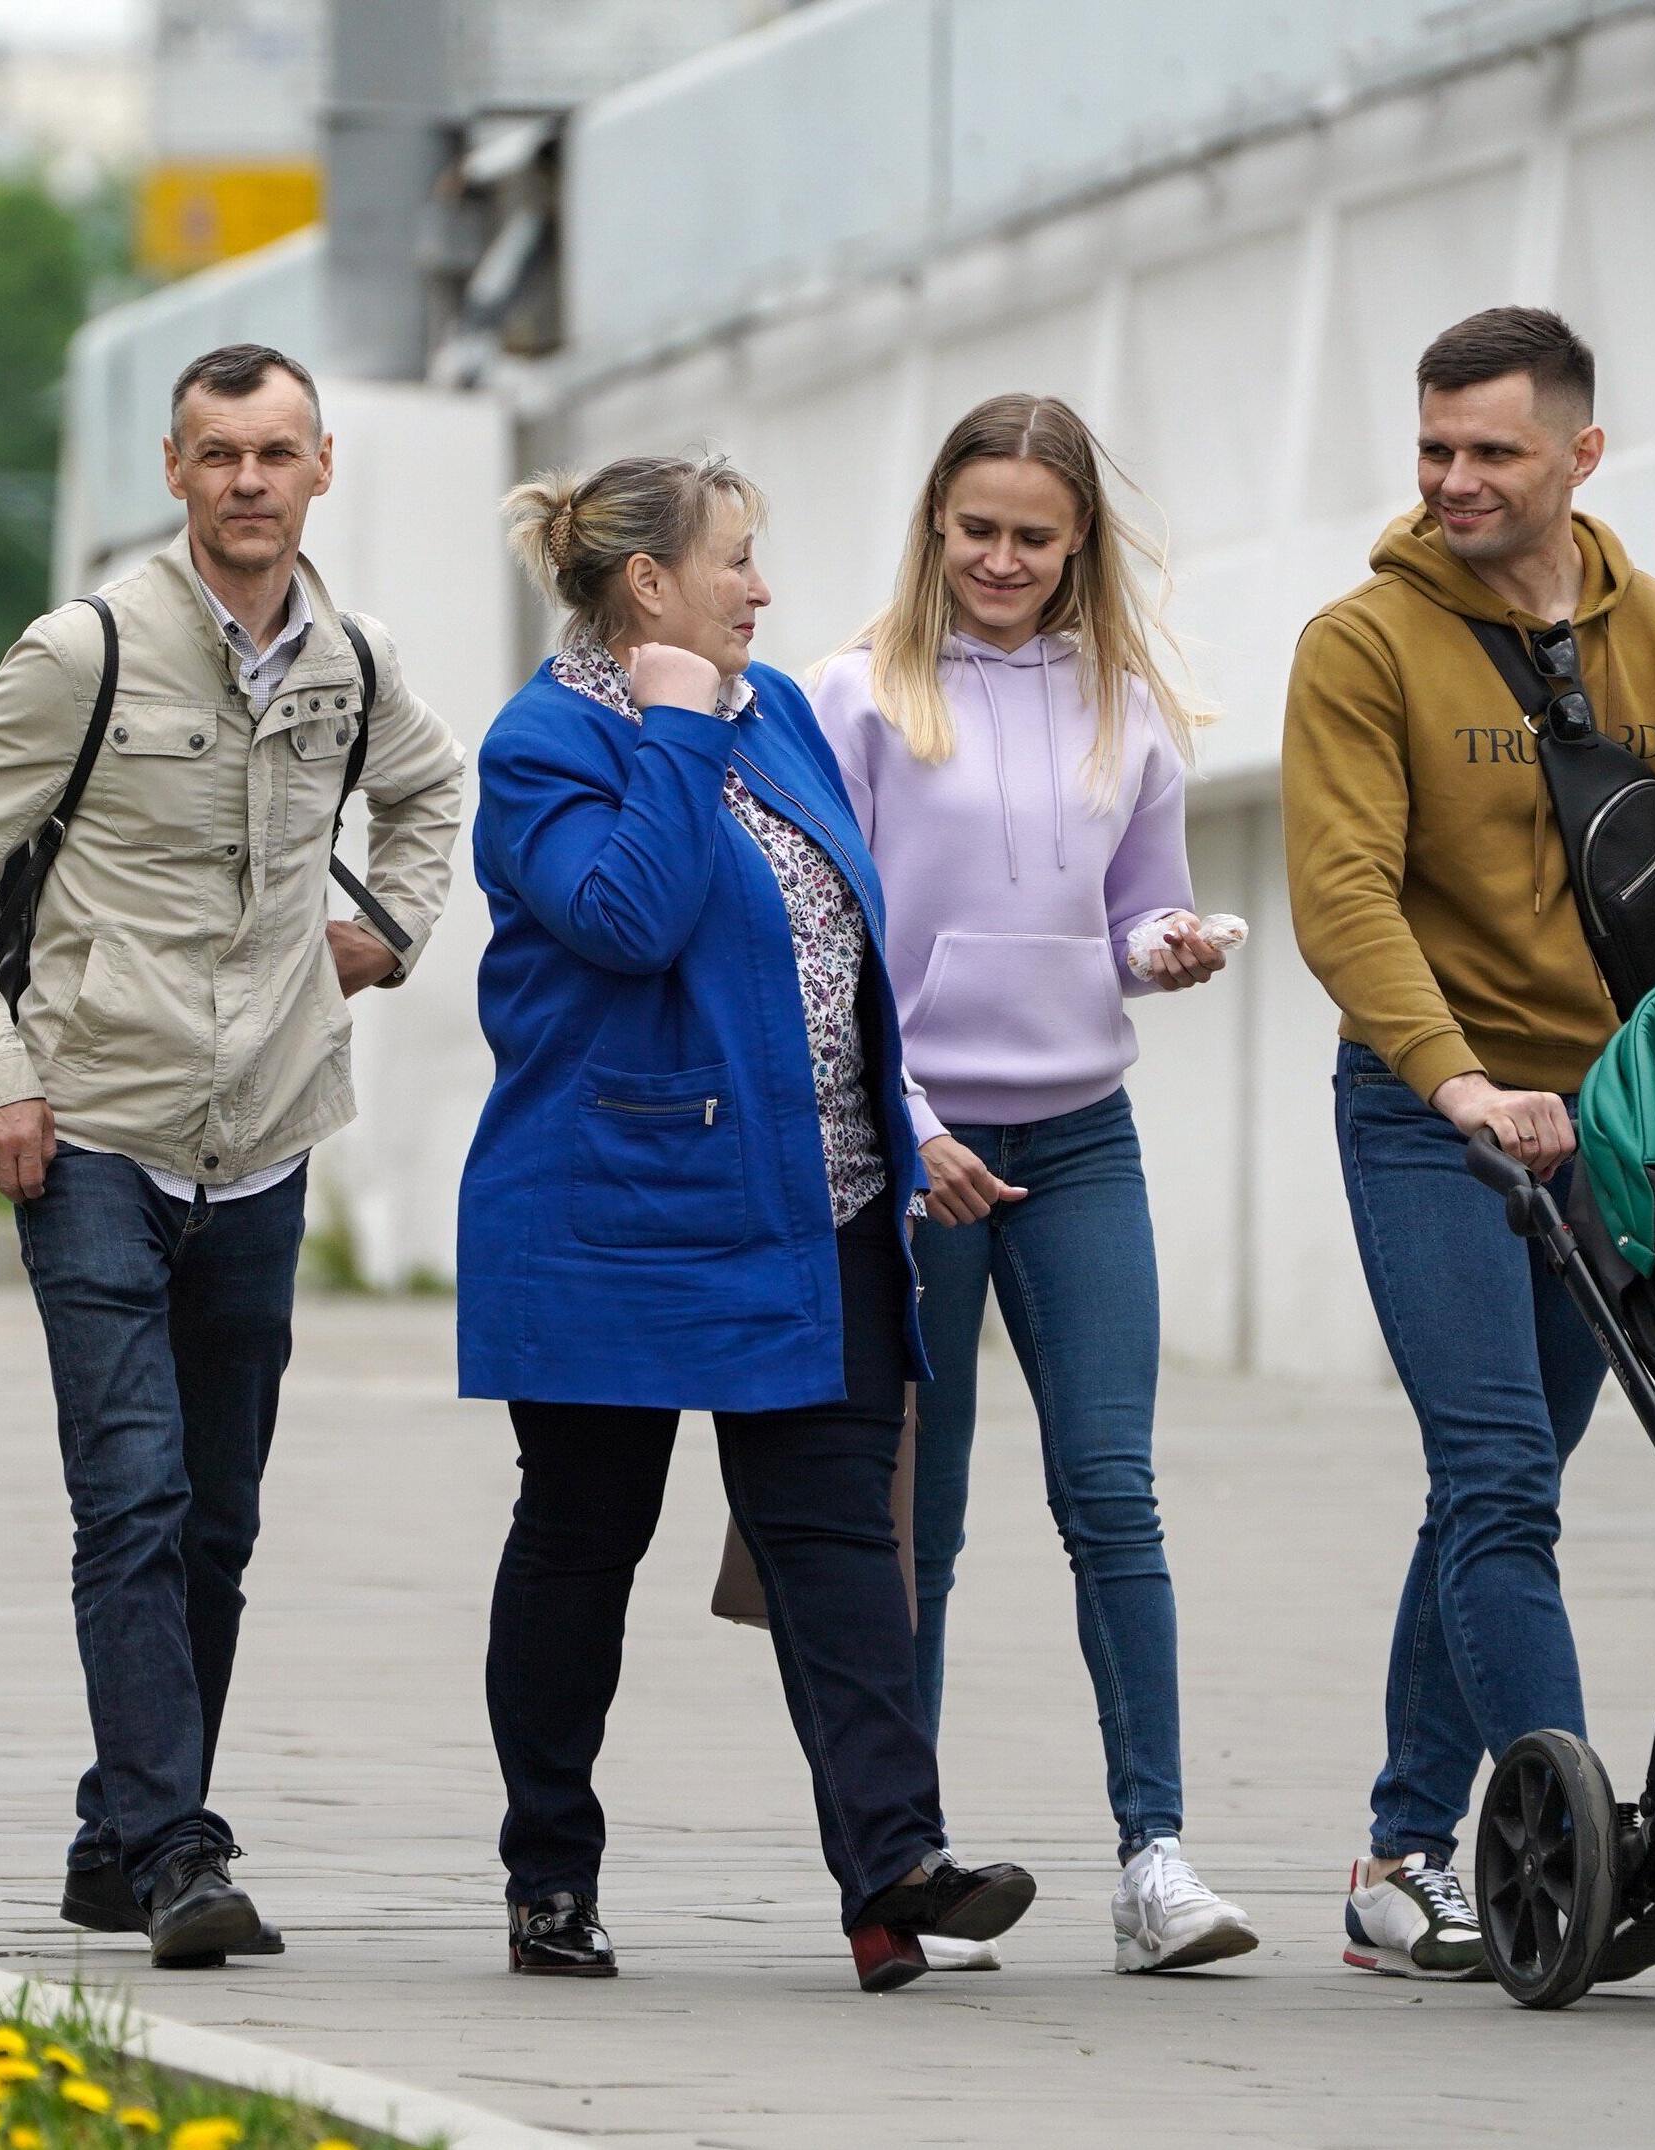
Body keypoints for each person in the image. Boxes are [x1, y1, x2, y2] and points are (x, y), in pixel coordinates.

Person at [0, 343, 467, 1968]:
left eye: (277, 451)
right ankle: (180, 1845)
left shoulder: (352, 661)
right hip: (95, 1130)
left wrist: (388, 928)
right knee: (132, 1495)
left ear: (322, 469)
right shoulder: (86, 652)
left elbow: (431, 795)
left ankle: (116, 1836)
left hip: (269, 1136)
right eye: (219, 452)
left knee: (215, 1514)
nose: (249, 480)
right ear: (175, 470)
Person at [1281, 306, 1655, 1982]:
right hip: (1431, 1112)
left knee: (1493, 1489)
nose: (1453, 480)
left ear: (1582, 455)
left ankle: (1398, 1856)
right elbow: (1346, 892)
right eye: (1432, 448)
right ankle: (1584, 1842)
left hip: (1611, 1124)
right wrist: (1448, 1080)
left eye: (1492, 452)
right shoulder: (1362, 646)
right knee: (1501, 1472)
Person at [461, 450, 1036, 1993]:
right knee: (585, 1537)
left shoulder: (775, 706)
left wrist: (901, 1132)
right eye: (734, 560)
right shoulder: (540, 745)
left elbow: (846, 938)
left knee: (844, 1538)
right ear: (648, 584)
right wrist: (663, 727)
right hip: (611, 1209)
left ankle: (892, 1871)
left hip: (815, 1202)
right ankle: (549, 1876)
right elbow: (628, 918)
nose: (762, 588)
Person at [812, 392, 1259, 1975]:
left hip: (1078, 1142)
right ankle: (903, 1865)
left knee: (1111, 1497)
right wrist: (910, 1116)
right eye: (977, 528)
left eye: (1034, 537)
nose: (1001, 560)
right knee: (911, 1528)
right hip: (913, 1150)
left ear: (1078, 550)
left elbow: (1139, 917)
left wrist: (1172, 949)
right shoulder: (854, 697)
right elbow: (833, 948)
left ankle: (1156, 1861)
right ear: (936, 523)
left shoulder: (1128, 705)